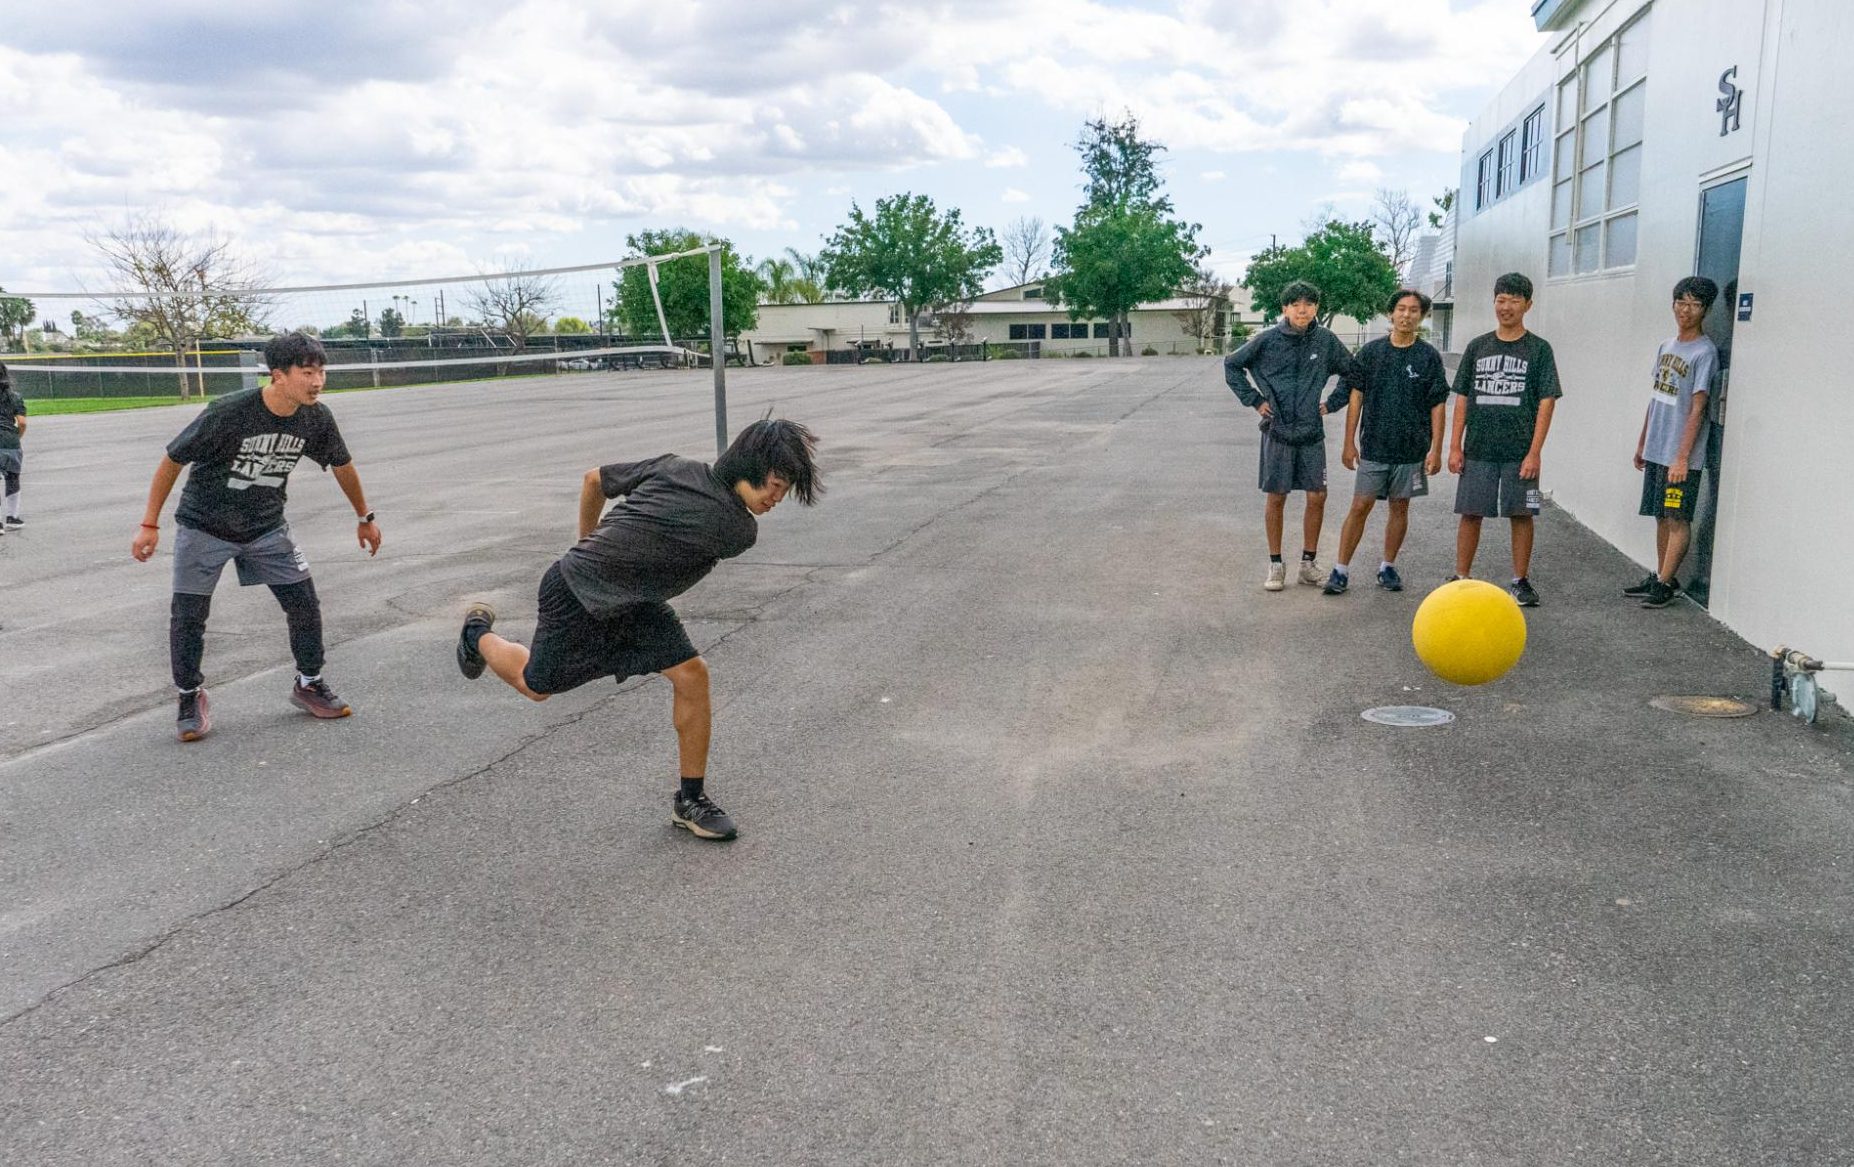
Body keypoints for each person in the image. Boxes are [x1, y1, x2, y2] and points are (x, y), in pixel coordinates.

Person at [455, 419, 822, 842]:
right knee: (536, 685)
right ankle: (477, 633)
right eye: (775, 485)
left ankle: (690, 800)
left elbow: (595, 480)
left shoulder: (673, 466)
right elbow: (598, 483)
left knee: (691, 674)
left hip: (633, 603)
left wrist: (585, 541)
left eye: (784, 490)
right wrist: (589, 557)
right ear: (750, 467)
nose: (777, 498)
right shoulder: (738, 530)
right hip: (576, 593)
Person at [131, 332, 381, 741]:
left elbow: (342, 464)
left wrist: (363, 516)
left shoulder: (316, 416)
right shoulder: (228, 412)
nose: (317, 381)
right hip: (204, 525)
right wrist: (149, 524)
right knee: (189, 616)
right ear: (278, 376)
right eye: (307, 373)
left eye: (321, 372)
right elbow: (172, 460)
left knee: (304, 602)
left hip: (266, 527)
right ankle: (190, 696)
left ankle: (309, 683)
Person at [1223, 280, 1357, 591]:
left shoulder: (1325, 341)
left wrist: (1333, 403)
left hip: (1311, 432)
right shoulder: (1267, 341)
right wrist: (1255, 400)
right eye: (1295, 304)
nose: (1302, 309)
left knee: (1317, 496)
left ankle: (1308, 564)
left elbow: (1352, 371)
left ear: (1316, 309)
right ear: (1284, 309)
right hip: (1278, 431)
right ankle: (1275, 565)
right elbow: (1232, 365)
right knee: (1277, 497)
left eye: (1309, 304)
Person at [1323, 289, 1449, 595]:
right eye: (1401, 309)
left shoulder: (1428, 357)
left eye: (1414, 310)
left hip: (1413, 451)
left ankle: (1388, 566)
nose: (1407, 315)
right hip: (1375, 447)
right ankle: (1340, 570)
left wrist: (1436, 450)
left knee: (1400, 508)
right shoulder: (1371, 353)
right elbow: (1356, 397)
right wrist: (1348, 443)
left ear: (1422, 316)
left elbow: (1438, 404)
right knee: (1360, 506)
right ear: (1390, 314)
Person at [1447, 272, 1561, 607]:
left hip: (1519, 452)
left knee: (1521, 514)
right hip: (1478, 449)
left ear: (1528, 304)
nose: (1506, 306)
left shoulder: (1539, 349)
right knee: (1470, 513)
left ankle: (1520, 581)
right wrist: (1455, 446)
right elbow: (1463, 397)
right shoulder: (1478, 346)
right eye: (1501, 299)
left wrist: (1534, 452)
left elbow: (1547, 401)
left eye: (1514, 300)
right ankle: (1461, 576)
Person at [1626, 277, 1721, 608]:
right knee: (1660, 515)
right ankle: (1663, 574)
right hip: (1656, 448)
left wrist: (1682, 458)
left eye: (1695, 305)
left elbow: (1698, 409)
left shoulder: (1704, 352)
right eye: (1682, 302)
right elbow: (1655, 399)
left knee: (1678, 517)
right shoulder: (1666, 347)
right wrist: (1642, 442)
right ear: (1673, 304)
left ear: (1705, 310)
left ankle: (1665, 584)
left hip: (1681, 457)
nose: (1686, 310)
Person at [0, 363, 25, 535]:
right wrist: (16, 437)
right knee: (13, 478)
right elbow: (22, 422)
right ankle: (12, 517)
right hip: (10, 441)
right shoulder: (14, 397)